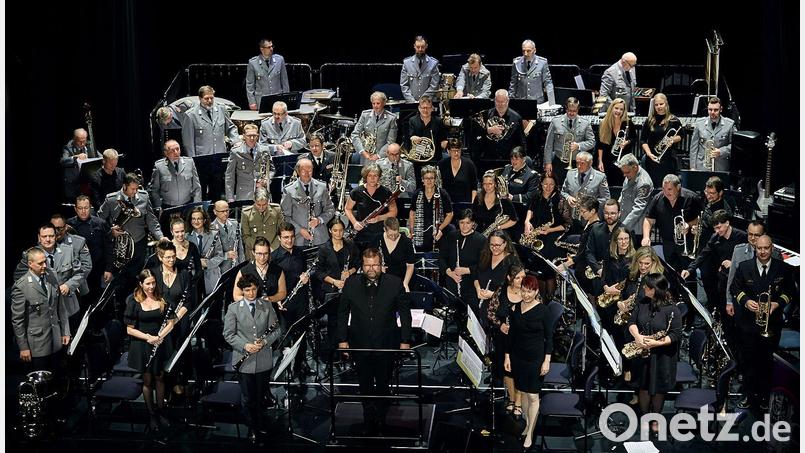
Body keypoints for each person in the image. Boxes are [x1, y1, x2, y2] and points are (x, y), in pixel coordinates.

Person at [336, 248, 412, 435]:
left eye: (375, 265)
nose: (371, 269)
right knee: (365, 383)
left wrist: (405, 340)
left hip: (386, 343)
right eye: (368, 265)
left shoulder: (394, 283)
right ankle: (368, 418)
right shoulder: (351, 283)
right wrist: (342, 340)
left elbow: (405, 314)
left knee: (384, 382)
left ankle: (382, 417)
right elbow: (342, 313)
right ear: (362, 266)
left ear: (381, 265)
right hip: (360, 343)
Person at [729, 235, 795, 411]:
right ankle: (748, 395)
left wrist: (777, 303)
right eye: (760, 248)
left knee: (766, 361)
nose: (763, 251)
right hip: (748, 324)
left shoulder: (783, 268)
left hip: (772, 324)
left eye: (766, 248)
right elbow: (735, 288)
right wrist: (746, 301)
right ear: (755, 248)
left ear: (772, 248)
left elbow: (790, 291)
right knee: (748, 360)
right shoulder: (744, 267)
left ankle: (765, 396)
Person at [223, 274, 283, 443]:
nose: (251, 293)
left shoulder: (266, 305)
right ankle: (252, 427)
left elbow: (277, 330)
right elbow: (228, 334)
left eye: (254, 289)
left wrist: (264, 341)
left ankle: (260, 422)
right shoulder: (234, 308)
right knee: (248, 397)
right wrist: (245, 345)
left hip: (263, 359)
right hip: (244, 360)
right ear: (242, 291)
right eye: (247, 290)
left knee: (261, 396)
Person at [626, 273, 683, 434]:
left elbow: (676, 335)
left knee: (658, 389)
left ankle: (656, 418)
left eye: (647, 286)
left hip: (663, 356)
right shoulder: (642, 303)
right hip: (643, 353)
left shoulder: (672, 309)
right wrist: (638, 336)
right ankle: (645, 418)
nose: (644, 288)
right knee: (643, 386)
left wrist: (657, 343)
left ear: (655, 290)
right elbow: (631, 321)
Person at [504, 275, 553, 450]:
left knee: (533, 396)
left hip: (535, 359)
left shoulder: (544, 311)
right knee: (523, 392)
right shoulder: (515, 308)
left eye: (530, 291)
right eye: (524, 291)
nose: (526, 295)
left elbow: (549, 338)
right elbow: (511, 335)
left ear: (536, 291)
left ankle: (531, 432)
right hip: (518, 357)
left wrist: (547, 361)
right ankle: (527, 424)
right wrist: (507, 356)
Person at [124, 269, 177, 431]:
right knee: (147, 381)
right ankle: (151, 414)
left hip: (160, 343)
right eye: (148, 283)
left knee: (160, 378)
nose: (151, 286)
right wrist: (148, 337)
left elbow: (171, 322)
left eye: (153, 283)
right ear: (141, 284)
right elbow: (129, 329)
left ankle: (161, 411)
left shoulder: (162, 298)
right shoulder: (134, 301)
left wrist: (160, 336)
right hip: (143, 345)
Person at [681, 210, 747, 342]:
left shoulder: (742, 236)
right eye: (715, 228)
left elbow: (751, 257)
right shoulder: (715, 237)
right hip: (724, 278)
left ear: (727, 223)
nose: (717, 231)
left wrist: (734, 262)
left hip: (740, 280)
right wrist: (690, 269)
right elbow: (704, 254)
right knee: (723, 308)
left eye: (719, 227)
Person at [12, 247, 71, 373]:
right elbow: (18, 321)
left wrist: (65, 331)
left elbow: (61, 307)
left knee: (58, 377)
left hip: (56, 341)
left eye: (45, 262)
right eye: (40, 263)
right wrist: (23, 347)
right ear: (30, 264)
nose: (44, 265)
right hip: (37, 346)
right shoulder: (22, 287)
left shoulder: (52, 276)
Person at [14, 224, 84, 323]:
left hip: (68, 307)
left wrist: (68, 285)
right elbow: (19, 279)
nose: (48, 239)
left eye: (51, 236)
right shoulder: (30, 255)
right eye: (44, 236)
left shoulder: (68, 251)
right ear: (39, 237)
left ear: (56, 237)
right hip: (43, 311)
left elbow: (80, 274)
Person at [182, 85, 241, 201]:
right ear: (200, 98)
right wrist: (192, 163)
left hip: (218, 158)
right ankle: (203, 211)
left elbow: (230, 128)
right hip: (202, 160)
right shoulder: (191, 115)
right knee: (202, 191)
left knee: (217, 190)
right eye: (206, 98)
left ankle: (216, 211)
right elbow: (188, 142)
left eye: (211, 98)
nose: (209, 101)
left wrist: (236, 141)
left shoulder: (221, 109)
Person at [271, 223, 313, 379]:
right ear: (279, 238)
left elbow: (306, 272)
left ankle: (301, 364)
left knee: (302, 334)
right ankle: (286, 368)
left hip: (300, 300)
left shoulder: (300, 253)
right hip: (284, 303)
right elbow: (271, 282)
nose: (289, 240)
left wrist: (306, 277)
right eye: (285, 237)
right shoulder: (274, 257)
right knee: (286, 337)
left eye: (291, 237)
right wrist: (277, 300)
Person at [314, 218, 360, 359]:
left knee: (349, 320)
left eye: (341, 230)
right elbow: (319, 272)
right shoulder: (324, 249)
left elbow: (357, 264)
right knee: (333, 321)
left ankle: (349, 352)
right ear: (330, 231)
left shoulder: (350, 245)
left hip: (349, 288)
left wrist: (350, 272)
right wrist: (334, 281)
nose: (338, 233)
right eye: (335, 230)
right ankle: (334, 354)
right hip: (331, 290)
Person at [523, 174, 573, 297]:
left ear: (555, 185)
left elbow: (567, 224)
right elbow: (531, 209)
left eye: (551, 184)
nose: (548, 187)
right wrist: (527, 221)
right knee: (536, 267)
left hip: (553, 236)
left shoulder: (560, 200)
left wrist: (550, 230)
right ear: (541, 184)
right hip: (538, 233)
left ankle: (550, 297)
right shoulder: (537, 195)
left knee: (547, 267)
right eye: (545, 184)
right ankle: (540, 297)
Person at [641, 174, 703, 272]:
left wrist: (689, 225)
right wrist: (646, 237)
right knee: (671, 273)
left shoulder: (691, 198)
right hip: (667, 243)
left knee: (688, 273)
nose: (666, 192)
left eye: (669, 189)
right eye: (664, 189)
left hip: (687, 243)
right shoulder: (658, 198)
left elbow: (701, 218)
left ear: (678, 187)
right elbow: (648, 219)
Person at [487, 266, 525, 417]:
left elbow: (538, 312)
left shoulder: (529, 291)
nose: (521, 280)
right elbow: (491, 312)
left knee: (520, 371)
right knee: (507, 370)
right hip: (504, 337)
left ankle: (519, 402)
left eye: (523, 277)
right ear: (509, 278)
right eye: (518, 278)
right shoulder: (501, 292)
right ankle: (512, 398)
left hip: (522, 338)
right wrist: (500, 325)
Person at [280, 158, 335, 246]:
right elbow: (285, 216)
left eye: (309, 170)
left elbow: (330, 210)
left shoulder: (322, 187)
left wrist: (319, 220)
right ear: (298, 171)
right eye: (303, 171)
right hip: (298, 239)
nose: (307, 173)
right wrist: (299, 230)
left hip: (320, 239)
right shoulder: (289, 190)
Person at [544, 97, 595, 188]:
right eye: (570, 110)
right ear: (566, 109)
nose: (572, 113)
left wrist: (578, 145)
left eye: (574, 111)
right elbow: (548, 145)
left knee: (575, 187)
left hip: (577, 163)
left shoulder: (585, 123)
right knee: (558, 187)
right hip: (559, 162)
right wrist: (548, 162)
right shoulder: (556, 121)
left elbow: (592, 142)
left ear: (578, 109)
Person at [440, 209, 487, 309]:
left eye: (468, 223)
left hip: (471, 285)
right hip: (452, 283)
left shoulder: (481, 240)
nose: (464, 226)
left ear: (473, 223)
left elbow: (484, 264)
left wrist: (467, 270)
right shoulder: (451, 236)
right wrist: (450, 273)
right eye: (462, 222)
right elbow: (442, 258)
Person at [68, 195, 114, 293]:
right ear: (75, 209)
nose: (83, 211)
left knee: (96, 295)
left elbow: (109, 248)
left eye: (86, 208)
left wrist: (109, 269)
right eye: (80, 208)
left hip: (98, 269)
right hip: (76, 271)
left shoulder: (101, 224)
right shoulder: (69, 225)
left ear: (90, 207)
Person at [345, 164, 398, 247]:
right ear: (365, 177)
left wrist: (379, 218)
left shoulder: (386, 192)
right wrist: (354, 223)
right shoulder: (356, 192)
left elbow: (394, 212)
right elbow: (347, 209)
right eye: (370, 175)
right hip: (361, 233)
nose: (372, 178)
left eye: (375, 176)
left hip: (380, 232)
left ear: (379, 177)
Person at [557, 196, 601, 295]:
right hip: (582, 267)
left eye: (583, 211)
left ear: (593, 211)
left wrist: (565, 265)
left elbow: (585, 252)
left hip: (586, 270)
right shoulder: (589, 224)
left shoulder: (595, 228)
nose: (581, 214)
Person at [474, 231, 521, 321]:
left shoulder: (513, 261)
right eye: (491, 245)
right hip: (480, 305)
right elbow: (476, 275)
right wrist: (478, 289)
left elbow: (516, 291)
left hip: (499, 311)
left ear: (505, 244)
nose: (494, 248)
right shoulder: (485, 255)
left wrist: (493, 295)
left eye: (498, 245)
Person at [641, 93, 684, 187]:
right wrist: (649, 154)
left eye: (661, 104)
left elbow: (681, 135)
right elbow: (643, 140)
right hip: (652, 159)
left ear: (666, 104)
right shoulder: (649, 120)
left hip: (668, 159)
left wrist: (673, 140)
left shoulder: (674, 120)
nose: (659, 107)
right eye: (656, 105)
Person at [408, 165, 454, 252]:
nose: (429, 181)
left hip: (438, 232)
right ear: (422, 179)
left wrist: (440, 228)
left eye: (431, 178)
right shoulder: (417, 194)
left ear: (435, 179)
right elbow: (412, 213)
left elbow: (450, 214)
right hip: (421, 232)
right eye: (426, 178)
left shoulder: (443, 194)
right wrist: (412, 230)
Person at [232, 236, 287, 309]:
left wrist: (270, 299)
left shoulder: (277, 270)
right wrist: (253, 302)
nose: (262, 257)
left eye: (266, 254)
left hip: (272, 310)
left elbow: (283, 293)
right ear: (253, 252)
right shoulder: (244, 271)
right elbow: (236, 296)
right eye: (259, 254)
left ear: (269, 253)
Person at [560, 151, 610, 231]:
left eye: (582, 163)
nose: (579, 166)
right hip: (572, 218)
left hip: (590, 220)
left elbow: (606, 198)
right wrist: (568, 197)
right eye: (577, 163)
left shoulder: (600, 177)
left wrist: (589, 204)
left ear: (590, 163)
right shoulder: (570, 174)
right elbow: (563, 192)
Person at [149, 139, 202, 212]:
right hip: (168, 207)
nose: (176, 152)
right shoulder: (159, 166)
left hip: (187, 205)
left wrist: (197, 206)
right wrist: (158, 207)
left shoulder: (189, 162)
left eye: (177, 149)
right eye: (172, 150)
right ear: (166, 153)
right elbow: (154, 190)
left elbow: (197, 187)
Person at [584, 199, 624, 295]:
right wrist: (598, 269)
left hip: (617, 279)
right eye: (606, 213)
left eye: (613, 213)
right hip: (598, 276)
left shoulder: (626, 231)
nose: (609, 216)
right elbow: (589, 252)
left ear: (619, 214)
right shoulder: (595, 229)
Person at [225, 123, 273, 203]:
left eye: (254, 135)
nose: (252, 138)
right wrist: (230, 197)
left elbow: (271, 169)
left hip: (261, 193)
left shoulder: (265, 150)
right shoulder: (236, 152)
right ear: (244, 136)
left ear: (257, 136)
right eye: (249, 135)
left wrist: (266, 179)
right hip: (244, 194)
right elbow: (230, 175)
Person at [596, 98, 637, 185]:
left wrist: (626, 142)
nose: (618, 111)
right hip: (607, 159)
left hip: (623, 159)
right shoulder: (604, 123)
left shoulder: (628, 123)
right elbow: (600, 144)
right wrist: (600, 161)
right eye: (616, 108)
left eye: (621, 109)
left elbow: (634, 138)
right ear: (612, 108)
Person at [615, 154, 653, 246]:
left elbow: (638, 209)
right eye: (623, 172)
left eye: (627, 172)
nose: (624, 175)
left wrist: (624, 226)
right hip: (625, 220)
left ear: (635, 167)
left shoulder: (644, 183)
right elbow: (623, 193)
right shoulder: (630, 174)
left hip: (636, 228)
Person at [690, 96, 735, 172]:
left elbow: (734, 145)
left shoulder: (729, 124)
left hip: (721, 167)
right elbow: (694, 148)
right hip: (702, 167)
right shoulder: (699, 123)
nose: (712, 112)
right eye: (710, 109)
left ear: (721, 109)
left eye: (716, 110)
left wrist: (721, 151)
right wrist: (692, 167)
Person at [351, 91, 398, 164]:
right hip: (366, 157)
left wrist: (378, 155)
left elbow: (391, 141)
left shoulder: (391, 118)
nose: (375, 106)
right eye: (373, 103)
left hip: (382, 158)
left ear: (384, 103)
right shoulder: (365, 115)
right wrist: (362, 151)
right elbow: (355, 134)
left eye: (378, 103)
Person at [478, 89, 525, 161]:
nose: (500, 104)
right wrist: (489, 130)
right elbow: (476, 134)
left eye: (502, 102)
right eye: (498, 101)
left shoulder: (516, 117)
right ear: (494, 100)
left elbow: (521, 141)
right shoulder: (486, 115)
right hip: (489, 157)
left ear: (508, 101)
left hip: (509, 159)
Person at [188, 206, 225, 295]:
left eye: (199, 219)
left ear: (204, 220)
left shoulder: (214, 234)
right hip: (194, 276)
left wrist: (207, 263)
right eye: (193, 219)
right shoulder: (186, 237)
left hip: (211, 275)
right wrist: (197, 263)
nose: (196, 221)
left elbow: (220, 256)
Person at [245, 39, 289, 111]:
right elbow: (250, 85)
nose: (271, 49)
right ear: (262, 49)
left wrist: (286, 98)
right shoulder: (253, 63)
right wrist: (252, 102)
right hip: (261, 101)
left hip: (278, 101)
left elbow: (285, 82)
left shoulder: (279, 60)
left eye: (272, 46)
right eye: (268, 47)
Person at [403, 95, 448, 165]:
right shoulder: (412, 120)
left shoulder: (438, 121)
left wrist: (446, 144)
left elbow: (443, 139)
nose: (425, 110)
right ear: (419, 108)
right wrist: (412, 138)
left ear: (432, 108)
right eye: (423, 108)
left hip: (435, 158)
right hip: (417, 159)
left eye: (428, 108)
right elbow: (408, 137)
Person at [508, 40, 555, 104]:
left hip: (537, 101)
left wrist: (552, 101)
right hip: (521, 101)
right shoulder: (516, 62)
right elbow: (513, 83)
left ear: (534, 50)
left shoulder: (542, 63)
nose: (525, 54)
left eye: (528, 51)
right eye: (523, 51)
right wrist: (511, 100)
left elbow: (548, 82)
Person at [241, 187, 283, 257]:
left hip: (274, 251)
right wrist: (259, 249)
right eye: (258, 205)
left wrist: (272, 248)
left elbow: (281, 232)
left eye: (264, 204)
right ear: (254, 200)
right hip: (254, 253)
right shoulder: (246, 213)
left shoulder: (276, 210)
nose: (261, 207)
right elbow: (246, 236)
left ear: (268, 201)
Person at [377, 218, 415, 291]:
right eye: (390, 235)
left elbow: (410, 265)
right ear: (384, 230)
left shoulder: (406, 242)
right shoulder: (377, 239)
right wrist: (379, 267)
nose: (393, 237)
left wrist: (405, 283)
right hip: (381, 280)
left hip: (401, 279)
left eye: (396, 234)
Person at [400, 35, 440, 103]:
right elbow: (404, 85)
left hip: (428, 103)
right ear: (414, 46)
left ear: (426, 46)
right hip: (412, 102)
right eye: (418, 47)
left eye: (422, 47)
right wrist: (412, 101)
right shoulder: (407, 63)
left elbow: (434, 85)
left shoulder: (433, 63)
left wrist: (423, 101)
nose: (420, 49)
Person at [438, 138, 478, 203]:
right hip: (446, 203)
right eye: (453, 150)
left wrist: (472, 204)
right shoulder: (441, 164)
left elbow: (474, 187)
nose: (456, 153)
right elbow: (438, 186)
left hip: (465, 203)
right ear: (448, 151)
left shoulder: (469, 164)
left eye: (458, 150)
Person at [698, 176, 735, 244]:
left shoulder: (724, 212)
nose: (708, 196)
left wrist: (700, 230)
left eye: (711, 193)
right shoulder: (704, 199)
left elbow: (718, 233)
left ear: (720, 193)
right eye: (706, 192)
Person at [61, 128, 95, 202]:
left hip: (86, 183)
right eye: (80, 142)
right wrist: (75, 157)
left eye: (84, 141)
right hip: (73, 184)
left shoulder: (89, 145)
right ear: (74, 139)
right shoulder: (68, 147)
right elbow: (63, 161)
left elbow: (99, 156)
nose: (82, 144)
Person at [211, 200, 245, 275]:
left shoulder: (235, 223)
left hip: (236, 266)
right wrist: (226, 255)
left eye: (227, 210)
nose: (225, 213)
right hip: (220, 270)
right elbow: (210, 256)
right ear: (215, 212)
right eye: (222, 211)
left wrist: (242, 266)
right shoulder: (210, 229)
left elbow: (240, 248)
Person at [167, 217, 203, 285]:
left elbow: (199, 270)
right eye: (177, 232)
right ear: (172, 232)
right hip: (173, 286)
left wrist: (192, 284)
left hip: (190, 285)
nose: (180, 234)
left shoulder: (192, 246)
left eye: (182, 231)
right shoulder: (167, 248)